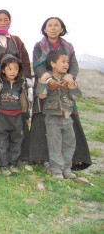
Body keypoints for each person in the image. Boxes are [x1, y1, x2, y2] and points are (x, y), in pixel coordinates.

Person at [27, 17, 91, 169]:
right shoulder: (39, 46)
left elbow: (73, 66)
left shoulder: (68, 47)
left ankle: (73, 159)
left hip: (65, 86)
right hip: (45, 85)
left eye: (57, 25)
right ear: (45, 28)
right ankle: (42, 158)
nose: (53, 28)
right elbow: (37, 66)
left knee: (68, 116)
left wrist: (69, 78)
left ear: (62, 29)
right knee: (44, 117)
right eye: (50, 25)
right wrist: (49, 80)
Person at [0, 9, 32, 159]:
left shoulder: (16, 40)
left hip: (15, 79)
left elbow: (24, 59)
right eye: (0, 20)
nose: (3, 22)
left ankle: (18, 155)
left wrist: (26, 78)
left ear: (10, 21)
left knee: (17, 111)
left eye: (6, 20)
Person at [36, 50, 82, 179]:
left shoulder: (69, 78)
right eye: (63, 61)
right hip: (52, 118)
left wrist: (71, 83)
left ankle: (67, 169)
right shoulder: (48, 78)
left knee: (69, 143)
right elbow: (41, 95)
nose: (66, 64)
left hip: (67, 118)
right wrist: (43, 80)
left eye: (67, 62)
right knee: (54, 144)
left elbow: (76, 97)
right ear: (53, 63)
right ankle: (56, 170)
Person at [0, 54, 29, 175]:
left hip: (17, 116)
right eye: (9, 69)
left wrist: (25, 114)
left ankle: (13, 164)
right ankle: (3, 165)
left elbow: (24, 99)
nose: (13, 72)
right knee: (1, 141)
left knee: (16, 140)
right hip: (1, 116)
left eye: (16, 69)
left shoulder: (21, 84)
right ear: (3, 69)